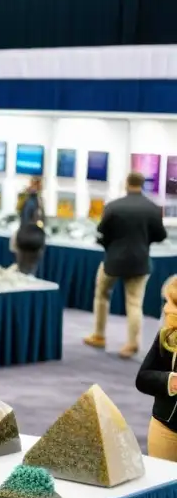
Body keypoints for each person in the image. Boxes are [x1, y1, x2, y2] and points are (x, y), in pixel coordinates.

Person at [84, 171, 168, 359]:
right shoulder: (153, 208)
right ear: (142, 184)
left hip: (113, 260)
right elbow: (161, 235)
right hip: (140, 262)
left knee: (102, 295)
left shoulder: (114, 206)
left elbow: (101, 231)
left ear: (126, 183)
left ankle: (99, 335)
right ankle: (132, 344)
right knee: (134, 304)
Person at [136, 276, 177, 460]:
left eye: (172, 304)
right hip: (165, 427)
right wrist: (170, 381)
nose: (166, 309)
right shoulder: (167, 336)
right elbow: (143, 378)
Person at [11, 176, 46, 275]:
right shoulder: (28, 199)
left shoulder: (38, 199)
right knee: (25, 267)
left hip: (31, 235)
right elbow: (25, 217)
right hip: (27, 235)